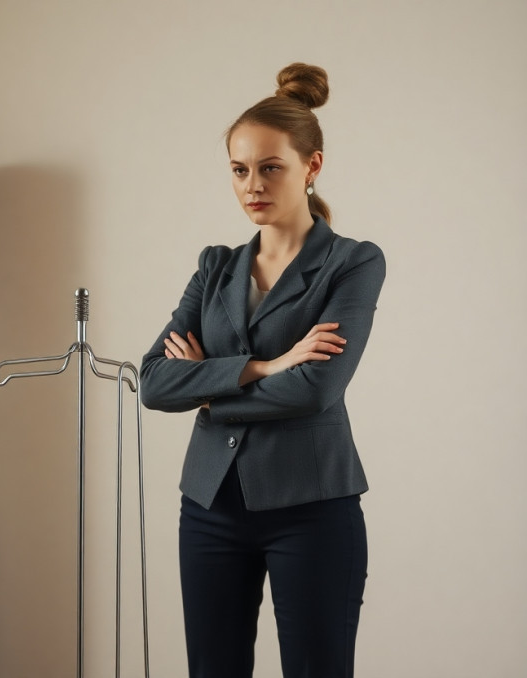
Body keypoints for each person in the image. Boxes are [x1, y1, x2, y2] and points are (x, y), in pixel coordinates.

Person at [139, 63, 385, 678]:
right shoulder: (215, 266)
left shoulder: (351, 264)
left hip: (312, 506)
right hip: (209, 506)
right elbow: (153, 381)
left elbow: (316, 390)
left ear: (312, 166)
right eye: (240, 169)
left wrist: (209, 387)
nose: (253, 184)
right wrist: (266, 365)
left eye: (270, 167)